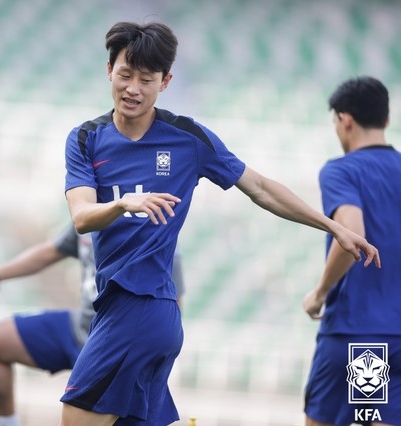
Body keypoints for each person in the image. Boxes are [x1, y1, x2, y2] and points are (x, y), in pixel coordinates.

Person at [62, 21, 381, 426]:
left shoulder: (187, 138)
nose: (133, 88)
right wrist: (123, 204)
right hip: (123, 310)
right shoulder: (86, 139)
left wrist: (332, 226)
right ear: (110, 71)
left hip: (139, 308)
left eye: (147, 79)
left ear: (166, 82)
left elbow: (261, 188)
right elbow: (81, 217)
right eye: (125, 75)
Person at [0, 223, 186, 426]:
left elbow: (174, 307)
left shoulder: (155, 233)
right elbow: (51, 251)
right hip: (80, 328)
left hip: (117, 346)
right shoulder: (87, 216)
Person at [302, 76, 401, 426]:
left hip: (361, 332)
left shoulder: (342, 170)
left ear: (344, 119)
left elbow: (352, 236)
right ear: (386, 120)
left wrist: (320, 293)